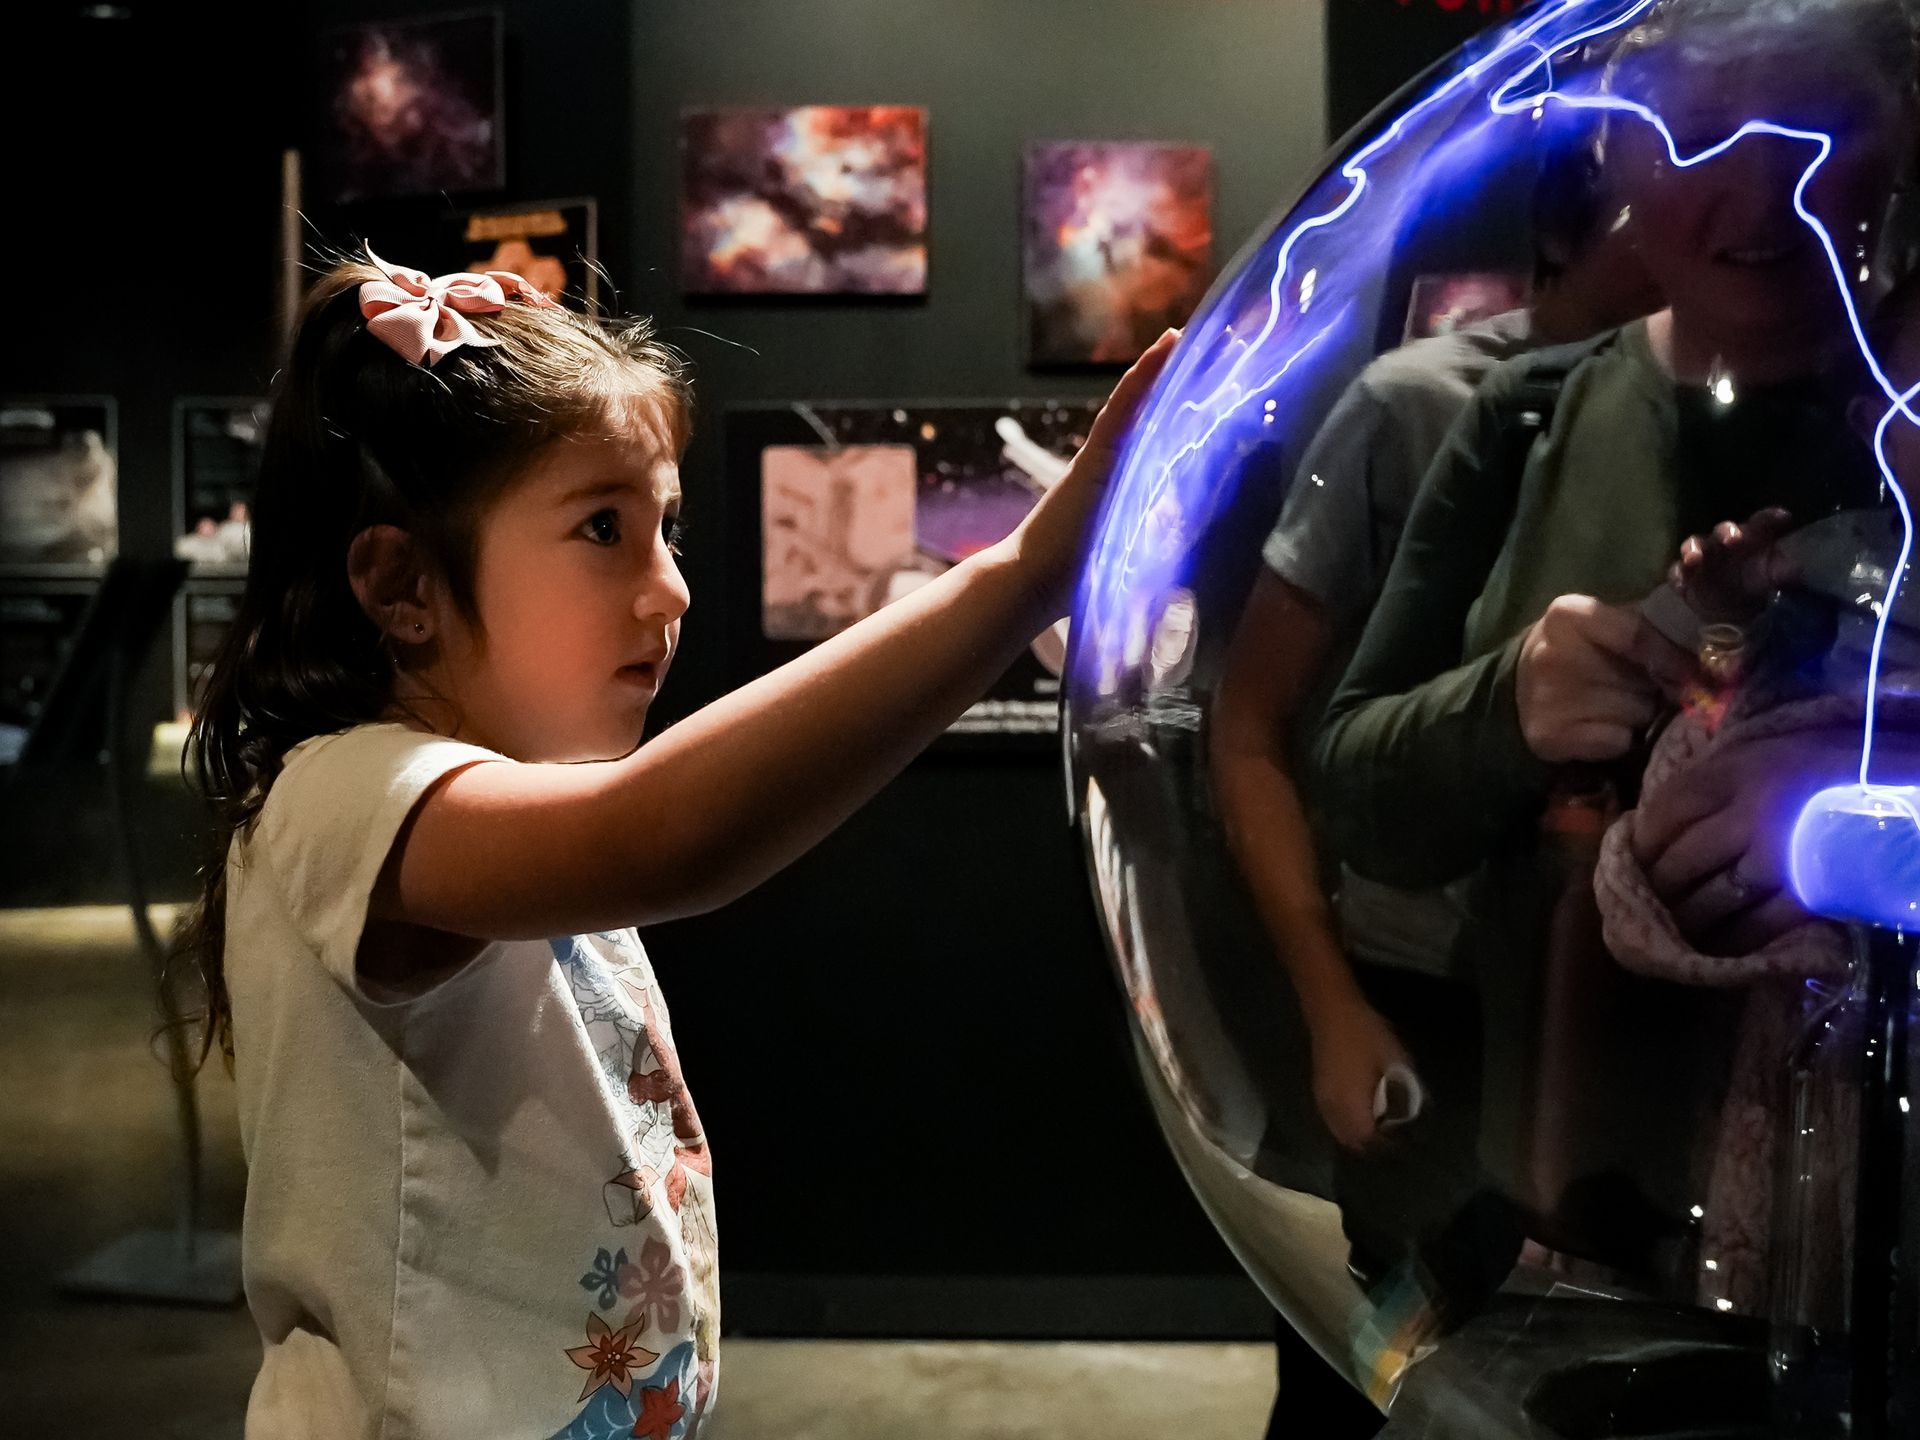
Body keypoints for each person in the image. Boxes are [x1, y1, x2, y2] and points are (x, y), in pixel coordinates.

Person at [167, 249, 1175, 1440]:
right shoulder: (344, 797)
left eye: (669, 528)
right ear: (402, 585)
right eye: (603, 527)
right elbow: (670, 832)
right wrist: (1022, 573)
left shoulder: (507, 793)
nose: (670, 590)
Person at [1313, 0, 1915, 1297]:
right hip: (1555, 1224)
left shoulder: (1906, 429)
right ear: (1617, 161)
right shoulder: (1523, 414)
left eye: (1820, 126)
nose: (1768, 185)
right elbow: (1359, 798)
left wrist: (1853, 797)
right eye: (1699, 133)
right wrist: (1506, 705)